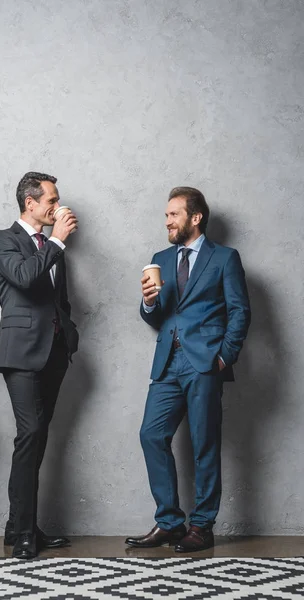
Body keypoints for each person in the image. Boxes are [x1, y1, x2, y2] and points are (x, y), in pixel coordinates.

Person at [126, 186, 251, 552]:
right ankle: (169, 523)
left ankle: (202, 525)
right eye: (166, 215)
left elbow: (240, 311)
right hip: (168, 361)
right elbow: (157, 314)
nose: (167, 220)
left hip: (204, 362)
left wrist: (224, 355)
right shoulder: (160, 258)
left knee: (204, 444)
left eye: (173, 214)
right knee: (151, 434)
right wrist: (148, 303)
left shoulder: (225, 258)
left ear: (195, 218)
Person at [0, 172, 79, 559]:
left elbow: (60, 298)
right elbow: (25, 278)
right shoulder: (4, 239)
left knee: (39, 438)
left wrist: (70, 332)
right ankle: (24, 533)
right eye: (51, 200)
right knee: (29, 435)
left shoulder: (55, 248)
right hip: (21, 353)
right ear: (30, 202)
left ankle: (19, 525)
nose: (56, 206)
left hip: (55, 353)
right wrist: (57, 240)